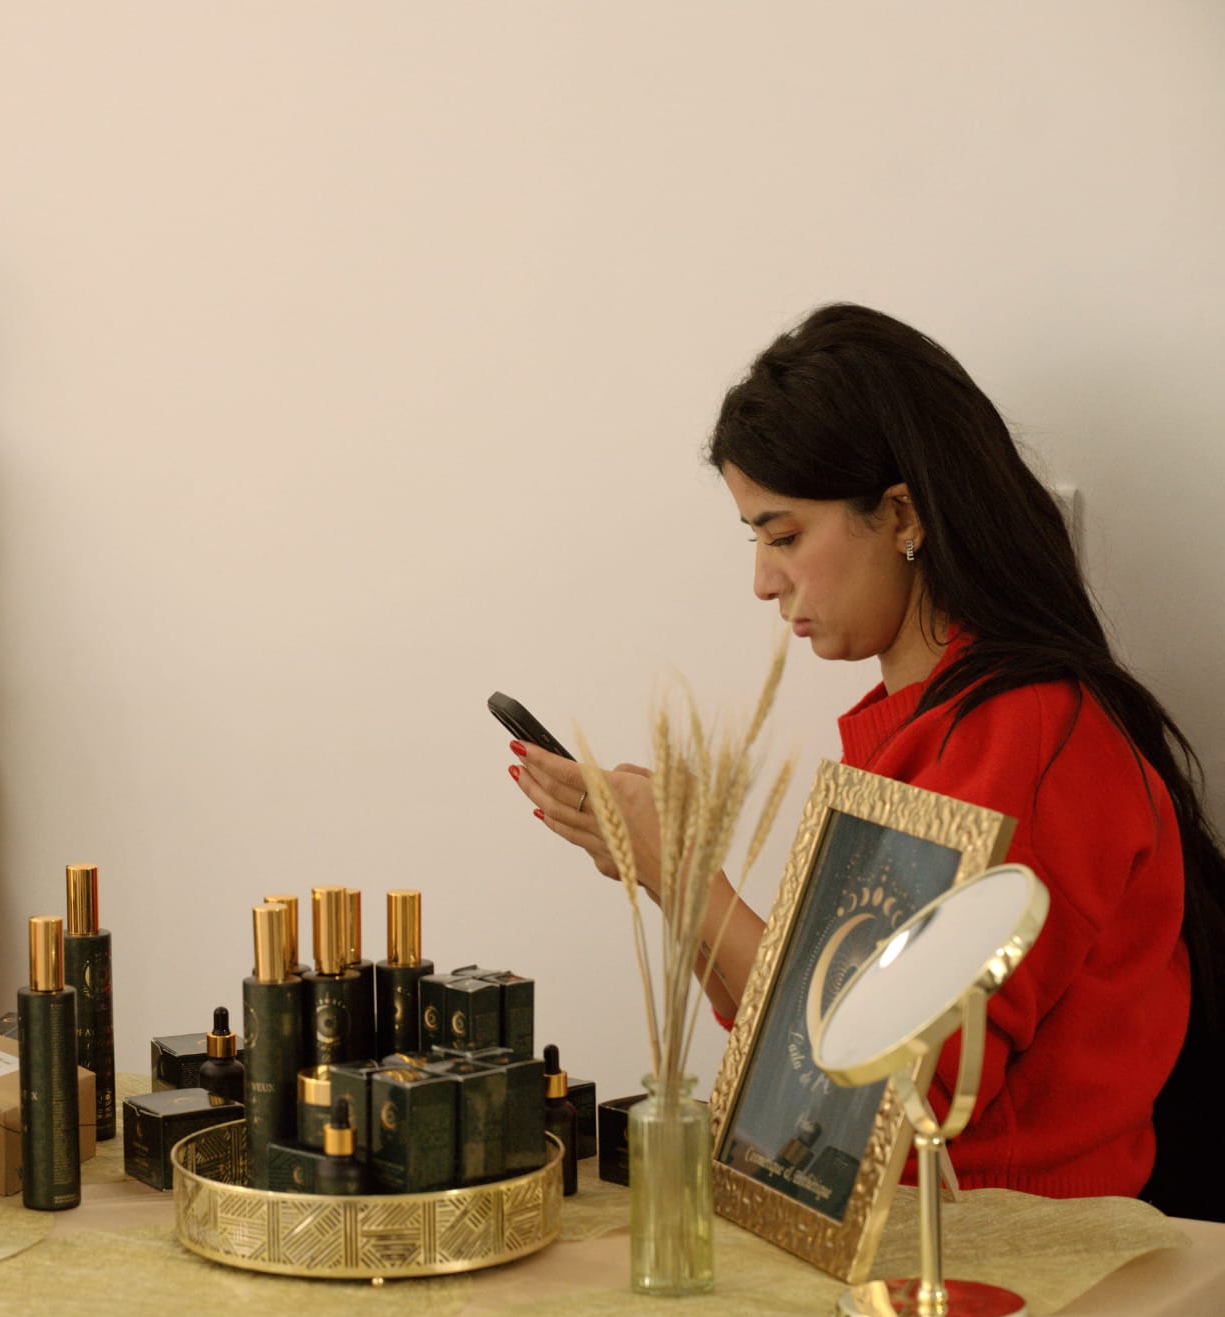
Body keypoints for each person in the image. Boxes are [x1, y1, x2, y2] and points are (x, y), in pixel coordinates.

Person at [508, 303, 1221, 1217]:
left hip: (1002, 1270)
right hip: (875, 1232)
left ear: (901, 517)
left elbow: (882, 1089)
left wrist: (682, 871)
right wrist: (659, 871)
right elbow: (796, 1045)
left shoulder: (1030, 738)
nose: (765, 581)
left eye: (784, 536)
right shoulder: (922, 733)